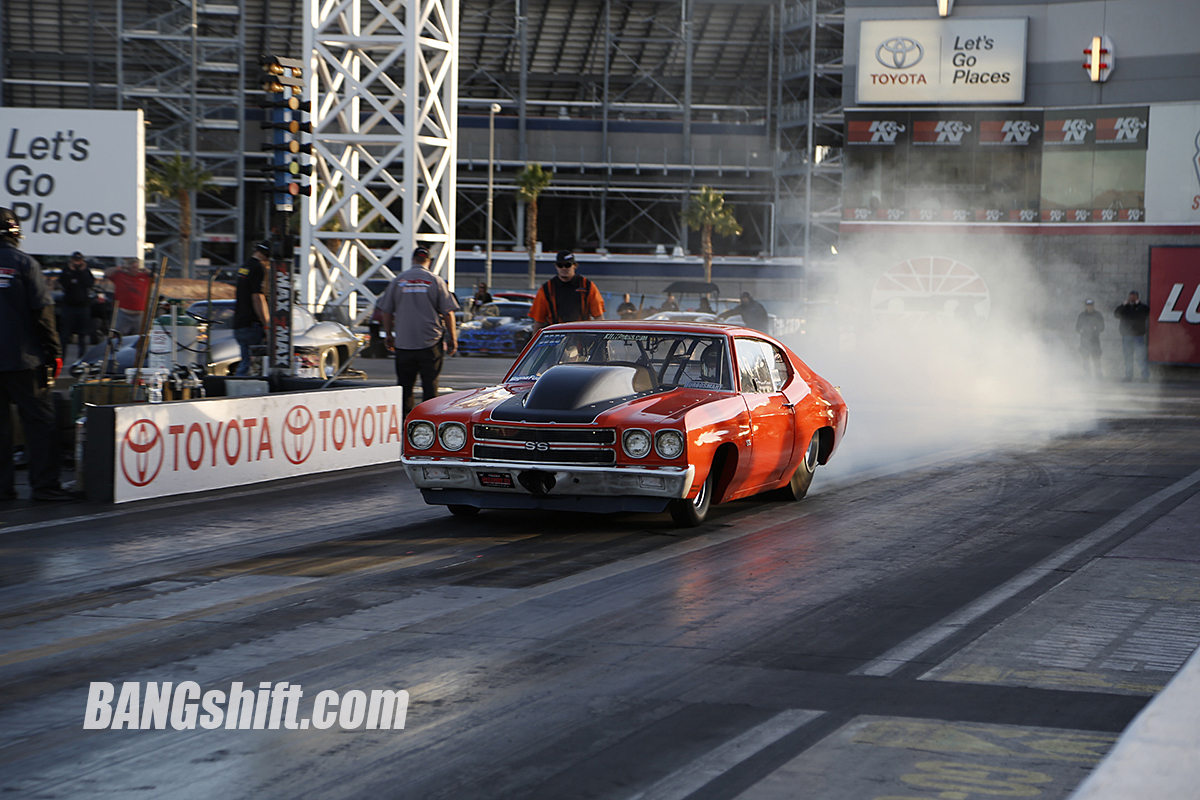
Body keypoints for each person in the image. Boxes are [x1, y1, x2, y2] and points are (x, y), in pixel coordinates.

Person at [0, 207, 73, 501]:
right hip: (24, 360)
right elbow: (43, 315)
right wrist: (54, 354)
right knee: (40, 424)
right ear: (15, 233)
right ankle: (45, 487)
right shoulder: (25, 263)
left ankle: (2, 489)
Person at [377, 246, 459, 413]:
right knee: (430, 385)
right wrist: (453, 338)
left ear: (413, 260)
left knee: (405, 386)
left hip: (404, 343)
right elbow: (448, 312)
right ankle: (428, 421)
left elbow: (385, 310)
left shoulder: (398, 281)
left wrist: (389, 334)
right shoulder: (435, 281)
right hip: (430, 342)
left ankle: (406, 420)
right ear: (428, 261)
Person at [530, 250, 605, 330]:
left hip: (582, 335)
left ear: (575, 265)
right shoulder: (547, 289)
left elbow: (598, 316)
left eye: (567, 265)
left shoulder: (587, 286)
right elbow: (538, 321)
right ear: (556, 266)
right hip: (556, 336)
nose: (564, 268)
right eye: (560, 265)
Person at [232, 243, 271, 376]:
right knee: (253, 366)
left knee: (245, 362)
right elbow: (258, 297)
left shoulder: (245, 266)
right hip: (252, 325)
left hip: (240, 323)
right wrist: (267, 325)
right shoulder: (258, 268)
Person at [58, 251, 95, 362]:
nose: (77, 263)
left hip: (83, 307)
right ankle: (62, 357)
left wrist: (82, 271)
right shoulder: (66, 271)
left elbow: (89, 283)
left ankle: (81, 358)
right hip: (69, 307)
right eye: (75, 260)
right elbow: (64, 283)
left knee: (82, 335)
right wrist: (71, 271)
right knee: (64, 335)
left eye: (79, 260)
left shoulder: (85, 271)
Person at [104, 258, 151, 336]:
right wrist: (120, 268)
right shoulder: (120, 275)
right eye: (133, 267)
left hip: (139, 313)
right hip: (123, 311)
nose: (136, 270)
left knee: (138, 337)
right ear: (128, 268)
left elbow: (157, 277)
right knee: (119, 336)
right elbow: (107, 272)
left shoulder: (144, 276)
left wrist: (148, 271)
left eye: (137, 267)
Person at [1114, 290, 1150, 381]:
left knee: (1141, 357)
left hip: (1138, 336)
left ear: (1137, 297)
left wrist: (1138, 304)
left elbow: (1146, 311)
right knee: (1128, 357)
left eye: (1133, 296)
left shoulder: (1141, 307)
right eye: (1130, 296)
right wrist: (1123, 305)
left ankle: (1145, 377)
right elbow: (1116, 314)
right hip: (1126, 336)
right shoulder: (1125, 308)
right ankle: (1128, 376)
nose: (1131, 298)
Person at [1076, 299, 1104, 379]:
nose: (1090, 307)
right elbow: (1077, 328)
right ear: (1086, 306)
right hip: (1084, 340)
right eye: (1088, 306)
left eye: (1091, 306)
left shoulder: (1098, 315)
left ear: (1093, 306)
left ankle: (1098, 375)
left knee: (1096, 358)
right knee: (1085, 358)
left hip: (1095, 340)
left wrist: (1095, 329)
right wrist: (1083, 330)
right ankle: (1087, 375)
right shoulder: (1082, 315)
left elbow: (1102, 327)